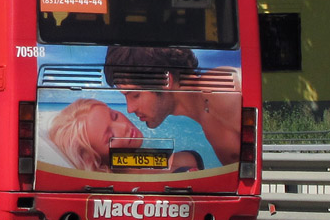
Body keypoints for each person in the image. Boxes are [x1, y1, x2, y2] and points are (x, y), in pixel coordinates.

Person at [104, 46, 241, 166]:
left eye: (135, 95)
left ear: (165, 80)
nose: (130, 108)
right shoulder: (205, 107)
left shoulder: (221, 91)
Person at [48, 98, 199, 174]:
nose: (124, 127)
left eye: (114, 116)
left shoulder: (139, 161)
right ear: (96, 161)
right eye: (110, 137)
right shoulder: (141, 181)